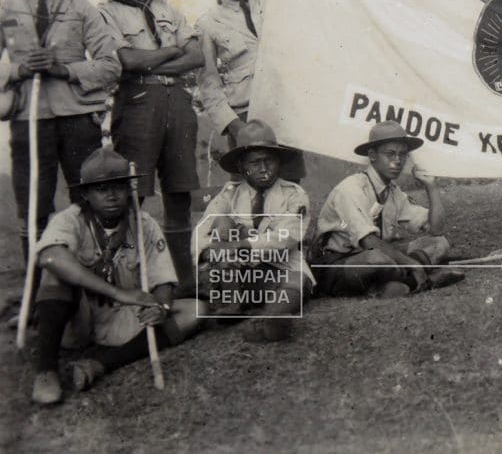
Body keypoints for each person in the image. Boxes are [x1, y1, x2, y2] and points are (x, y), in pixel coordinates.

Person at [30, 147, 205, 405]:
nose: (111, 195)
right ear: (86, 194)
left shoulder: (144, 224)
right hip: (77, 317)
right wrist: (119, 293)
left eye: (119, 186)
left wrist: (161, 307)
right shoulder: (70, 220)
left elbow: (163, 279)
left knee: (195, 310)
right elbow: (50, 257)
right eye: (101, 189)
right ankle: (46, 371)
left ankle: (100, 363)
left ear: (129, 189)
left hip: (121, 317)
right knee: (54, 274)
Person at [0, 0, 124, 266]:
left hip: (78, 118)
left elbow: (111, 65)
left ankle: (92, 277)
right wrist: (18, 70)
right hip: (28, 120)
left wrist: (65, 70)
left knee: (87, 198)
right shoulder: (6, 9)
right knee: (33, 204)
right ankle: (38, 284)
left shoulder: (80, 8)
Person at [97, 0, 204, 289]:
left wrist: (155, 59)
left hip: (178, 101)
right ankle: (128, 278)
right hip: (138, 102)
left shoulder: (167, 8)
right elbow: (127, 61)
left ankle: (182, 280)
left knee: (179, 190)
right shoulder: (106, 13)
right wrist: (171, 51)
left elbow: (197, 55)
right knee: (133, 191)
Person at [311, 121, 464, 297]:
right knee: (376, 258)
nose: (397, 161)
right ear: (372, 155)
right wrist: (412, 263)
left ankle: (389, 285)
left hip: (379, 258)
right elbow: (368, 242)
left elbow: (436, 230)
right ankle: (420, 280)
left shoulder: (393, 192)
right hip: (335, 263)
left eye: (402, 154)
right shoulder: (351, 188)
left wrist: (432, 187)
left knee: (439, 243)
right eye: (390, 154)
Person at [195, 120, 312, 343]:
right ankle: (234, 303)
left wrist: (242, 245)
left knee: (295, 282)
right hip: (240, 274)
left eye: (270, 161)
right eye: (255, 162)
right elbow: (200, 232)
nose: (264, 168)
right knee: (220, 225)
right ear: (241, 166)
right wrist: (214, 249)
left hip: (281, 268)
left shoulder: (294, 194)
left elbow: (286, 237)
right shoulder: (229, 195)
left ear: (279, 162)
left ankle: (271, 320)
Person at [196, 0, 304, 181]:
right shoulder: (208, 23)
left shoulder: (269, 2)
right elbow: (208, 84)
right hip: (245, 115)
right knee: (250, 186)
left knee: (290, 184)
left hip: (282, 111)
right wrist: (233, 125)